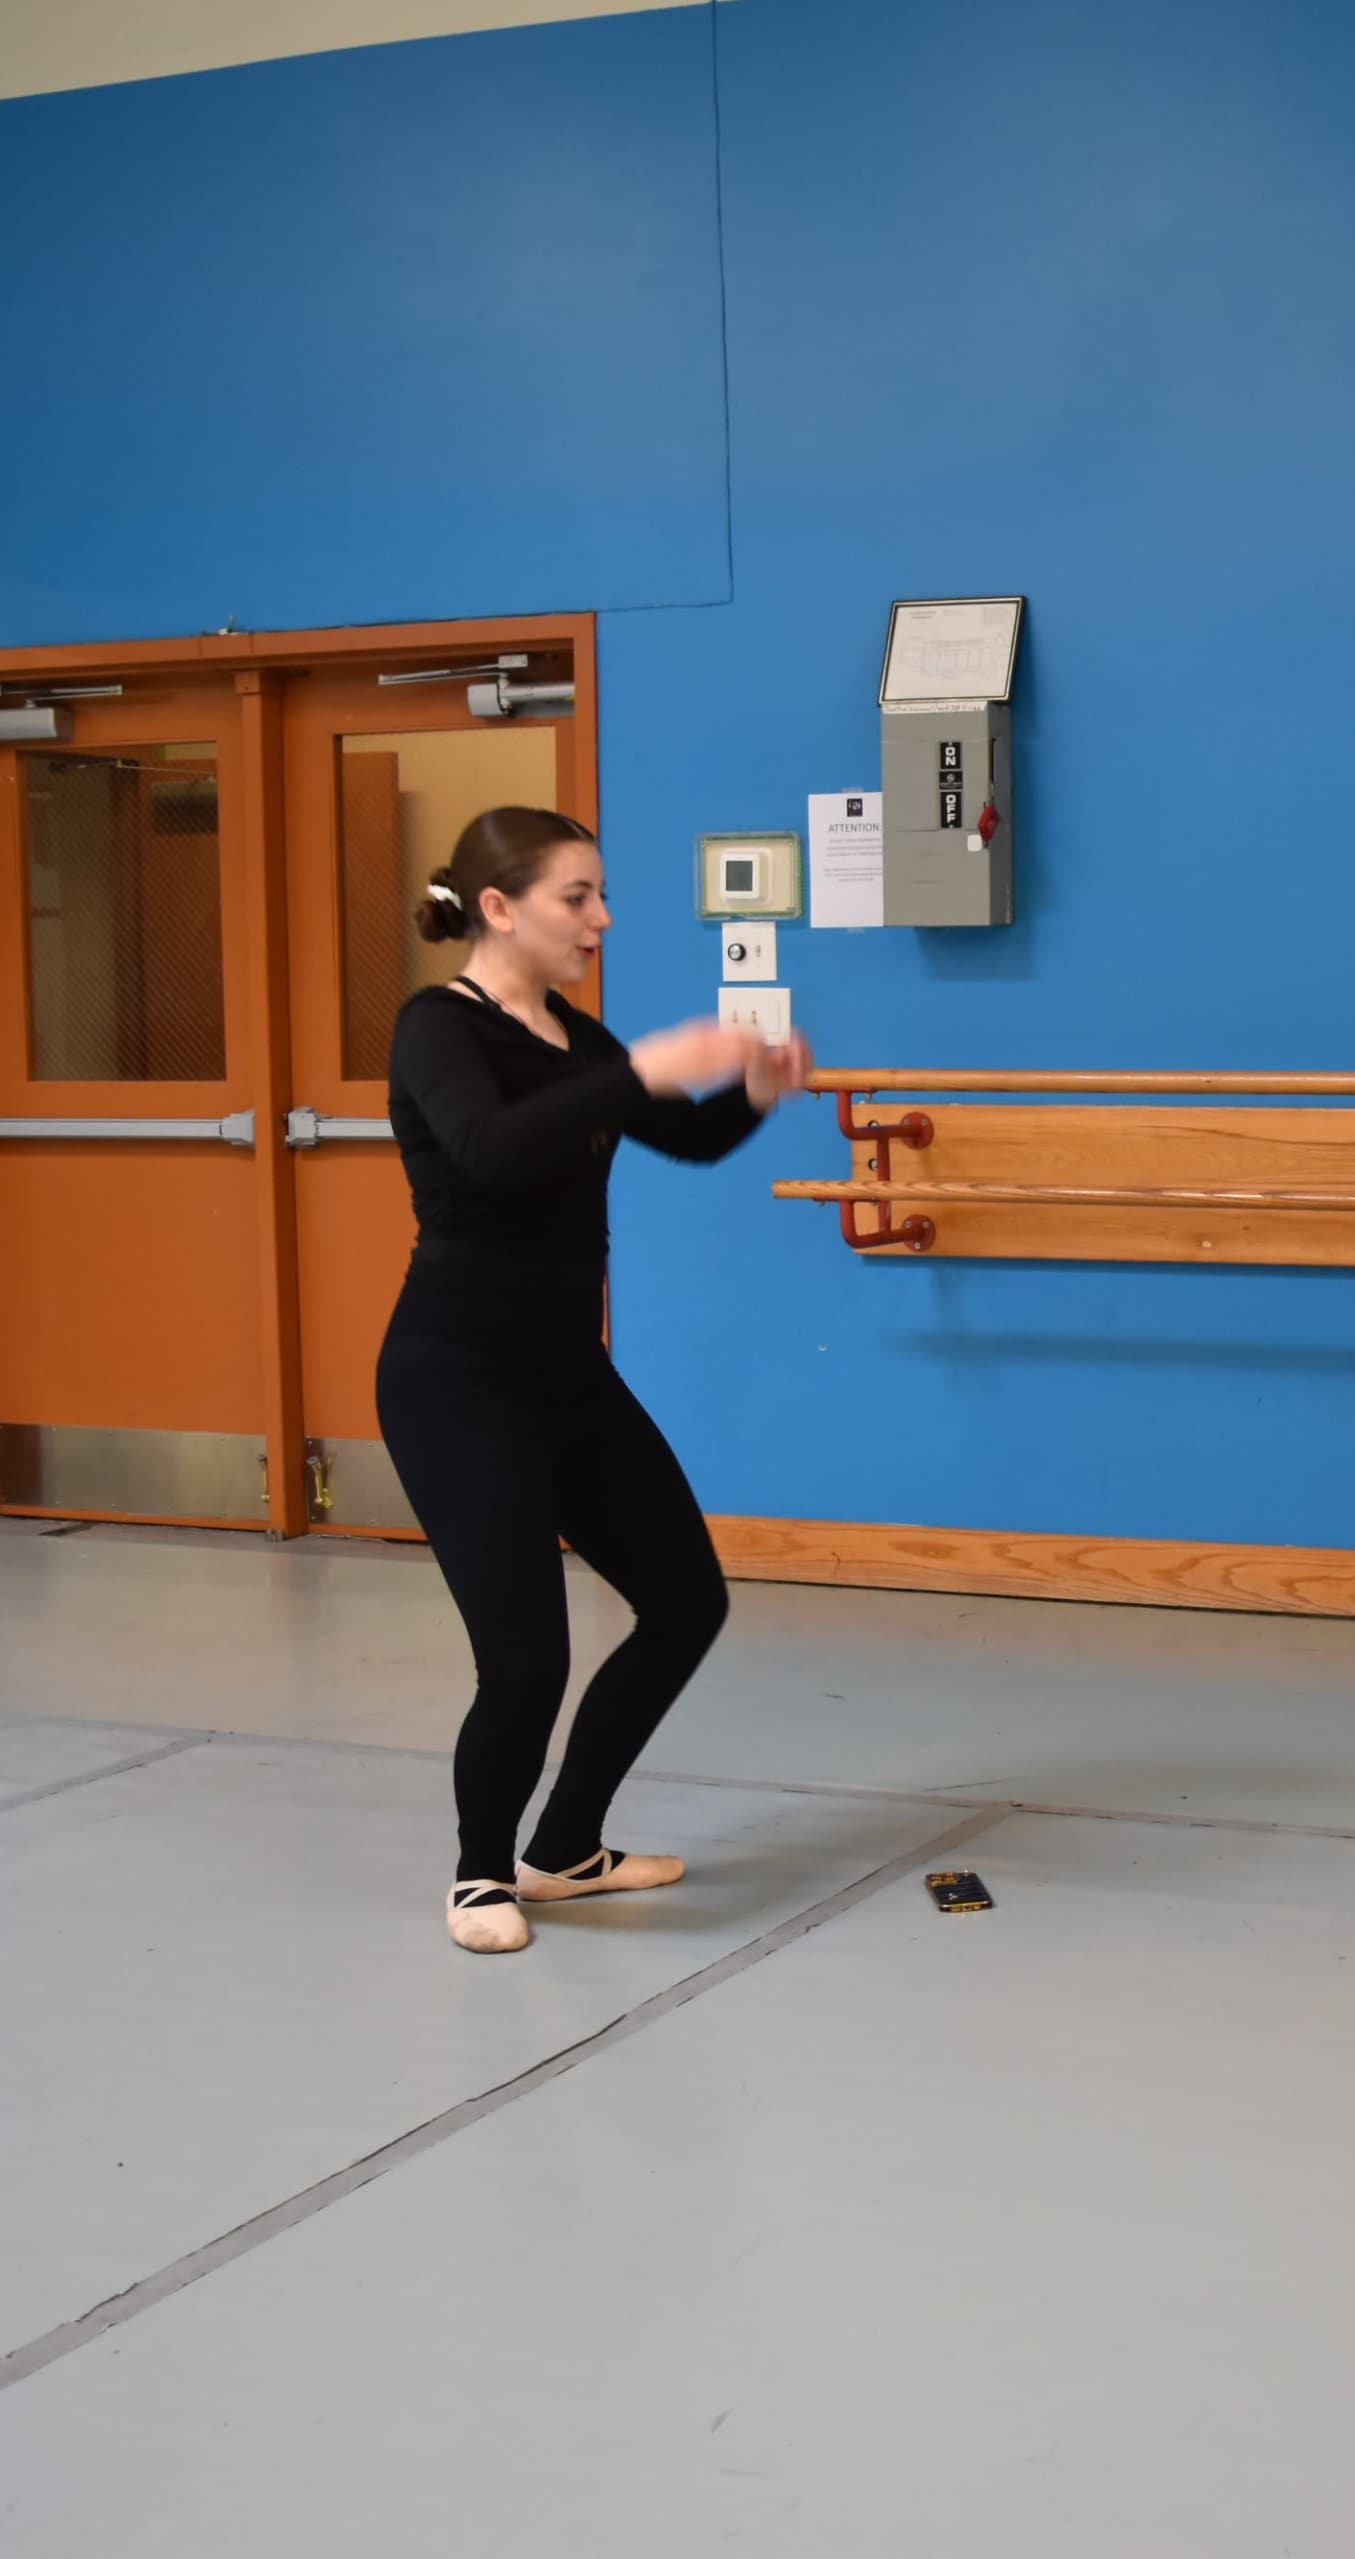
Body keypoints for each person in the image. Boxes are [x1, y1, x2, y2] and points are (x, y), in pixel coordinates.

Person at [378, 806, 809, 1952]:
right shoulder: (437, 1028)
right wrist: (645, 1071)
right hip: (455, 1380)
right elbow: (489, 1152)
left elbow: (689, 1141)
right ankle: (480, 1876)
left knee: (686, 1604)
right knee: (525, 1658)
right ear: (499, 907)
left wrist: (753, 1095)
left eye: (602, 894)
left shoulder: (578, 1036)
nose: (602, 919)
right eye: (579, 896)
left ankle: (566, 1846)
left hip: (567, 1372)